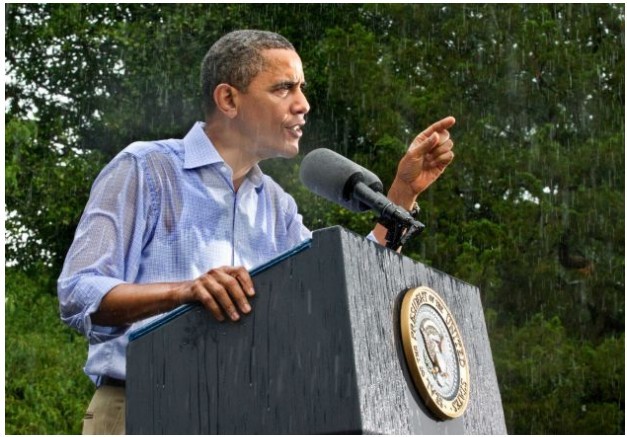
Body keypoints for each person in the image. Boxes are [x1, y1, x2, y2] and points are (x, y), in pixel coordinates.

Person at [57, 29, 455, 434]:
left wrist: (402, 193)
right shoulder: (146, 168)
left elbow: (337, 299)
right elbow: (78, 292)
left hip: (249, 419)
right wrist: (183, 292)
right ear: (228, 99)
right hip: (142, 408)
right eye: (284, 88)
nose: (303, 105)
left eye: (301, 88)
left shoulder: (278, 207)